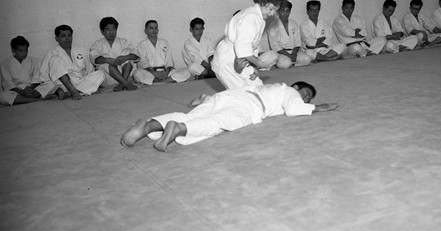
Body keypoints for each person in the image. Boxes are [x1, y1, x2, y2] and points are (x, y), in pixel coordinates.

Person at [120, 80, 339, 152]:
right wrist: (316, 108)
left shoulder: (268, 87)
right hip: (248, 107)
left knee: (190, 115)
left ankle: (148, 126)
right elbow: (293, 109)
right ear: (297, 87)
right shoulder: (290, 92)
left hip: (228, 96)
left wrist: (204, 98)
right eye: (306, 94)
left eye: (308, 99)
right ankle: (176, 130)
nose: (306, 99)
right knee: (216, 124)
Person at [211, 0, 287, 90]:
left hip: (241, 59)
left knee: (259, 89)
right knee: (244, 94)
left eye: (275, 10)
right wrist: (259, 63)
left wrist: (254, 67)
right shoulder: (250, 17)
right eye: (272, 9)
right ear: (263, 3)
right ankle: (207, 100)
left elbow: (252, 46)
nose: (273, 13)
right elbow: (242, 47)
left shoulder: (258, 18)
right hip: (226, 59)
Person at [39, 25, 105, 100]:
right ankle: (74, 91)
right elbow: (44, 76)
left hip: (80, 81)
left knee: (101, 73)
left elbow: (90, 69)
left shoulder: (80, 49)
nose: (67, 38)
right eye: (63, 36)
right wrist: (55, 88)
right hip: (63, 85)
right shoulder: (52, 52)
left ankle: (73, 92)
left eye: (69, 35)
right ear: (57, 38)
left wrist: (92, 81)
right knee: (55, 59)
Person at [0, 36, 58, 105]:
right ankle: (35, 100)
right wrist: (22, 92)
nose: (24, 53)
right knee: (3, 96)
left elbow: (37, 79)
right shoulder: (5, 64)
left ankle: (26, 99)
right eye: (20, 51)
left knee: (51, 84)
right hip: (17, 91)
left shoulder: (34, 61)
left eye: (26, 50)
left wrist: (30, 90)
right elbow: (8, 84)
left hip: (32, 90)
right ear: (13, 50)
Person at [133, 20, 191, 85]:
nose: (154, 30)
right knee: (137, 74)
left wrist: (166, 72)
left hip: (165, 71)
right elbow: (142, 62)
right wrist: (153, 73)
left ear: (158, 30)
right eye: (151, 28)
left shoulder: (164, 42)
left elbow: (169, 60)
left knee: (187, 72)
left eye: (155, 28)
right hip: (151, 72)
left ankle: (160, 83)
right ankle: (166, 81)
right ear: (145, 31)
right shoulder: (142, 45)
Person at [90, 17, 140, 91]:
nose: (111, 32)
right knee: (104, 60)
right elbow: (94, 59)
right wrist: (107, 60)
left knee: (127, 55)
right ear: (102, 31)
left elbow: (136, 56)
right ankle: (126, 84)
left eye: (113, 29)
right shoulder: (98, 44)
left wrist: (124, 58)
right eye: (108, 29)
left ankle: (121, 84)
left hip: (124, 74)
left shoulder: (123, 42)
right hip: (107, 79)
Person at [267, 1, 313, 68]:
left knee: (307, 59)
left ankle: (291, 63)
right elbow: (275, 46)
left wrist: (294, 54)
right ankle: (289, 62)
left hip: (294, 52)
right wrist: (289, 56)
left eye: (287, 11)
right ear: (278, 11)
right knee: (285, 63)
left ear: (290, 11)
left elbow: (297, 41)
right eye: (283, 11)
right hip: (281, 53)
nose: (285, 13)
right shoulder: (272, 26)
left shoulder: (294, 24)